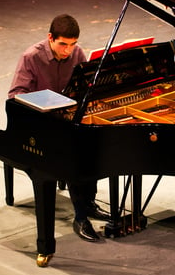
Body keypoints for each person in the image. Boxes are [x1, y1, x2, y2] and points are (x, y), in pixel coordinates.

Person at [8, 13, 111, 244]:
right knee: (72, 151)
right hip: (39, 122)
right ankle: (81, 216)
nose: (68, 50)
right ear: (50, 38)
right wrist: (44, 103)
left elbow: (85, 87)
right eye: (63, 44)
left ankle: (89, 203)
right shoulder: (31, 57)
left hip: (66, 118)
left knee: (92, 142)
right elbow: (16, 94)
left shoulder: (77, 53)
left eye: (72, 44)